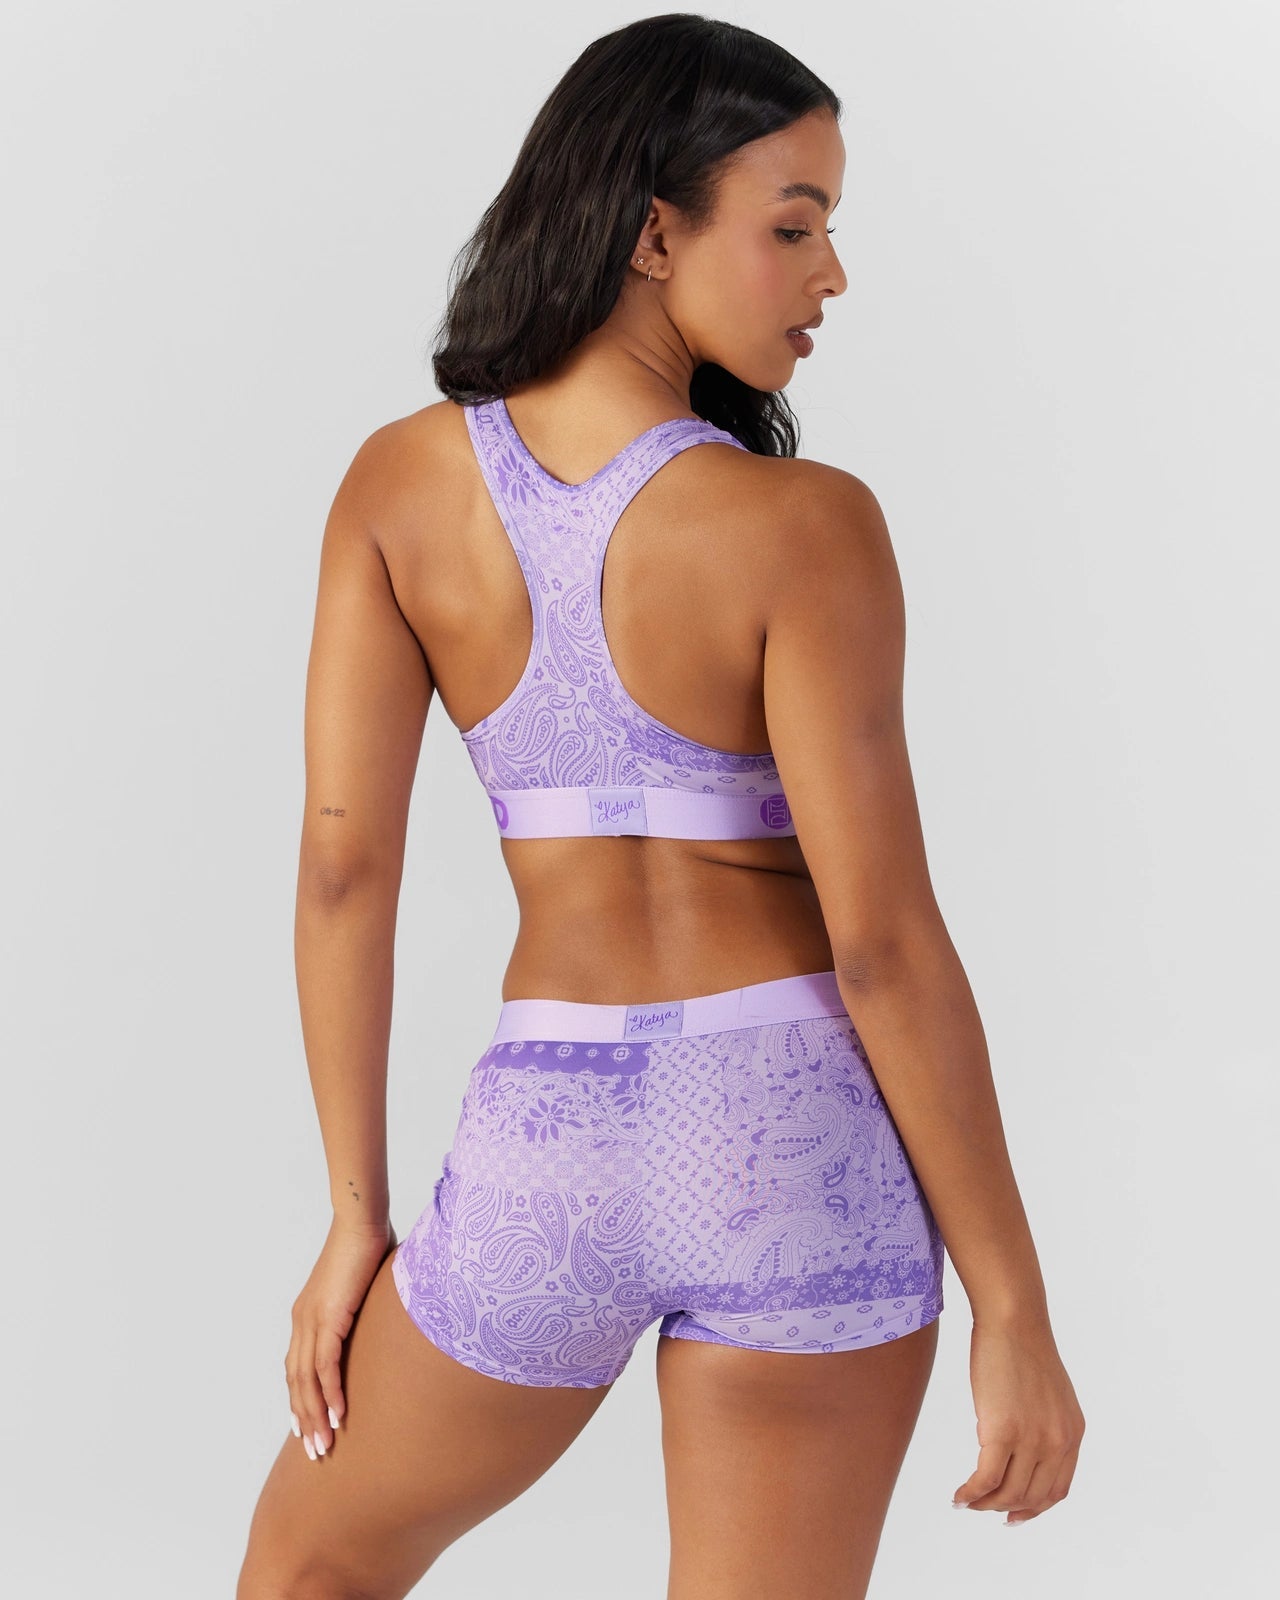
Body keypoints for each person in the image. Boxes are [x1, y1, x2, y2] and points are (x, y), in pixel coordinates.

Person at [236, 15, 1084, 1598]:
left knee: (306, 1571)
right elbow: (884, 945)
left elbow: (345, 879)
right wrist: (1013, 1305)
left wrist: (356, 1218)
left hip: (545, 1147)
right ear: (652, 234)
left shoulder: (398, 489)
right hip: (796, 1147)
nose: (833, 276)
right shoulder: (804, 524)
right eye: (794, 227)